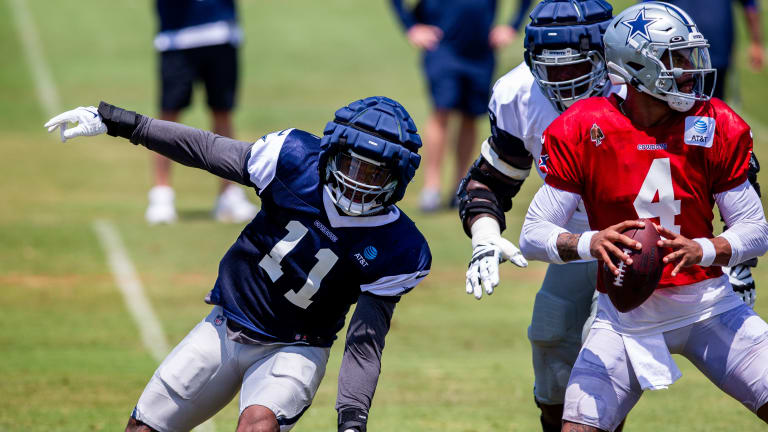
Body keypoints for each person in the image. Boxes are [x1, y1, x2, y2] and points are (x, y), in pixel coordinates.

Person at [44, 96, 431, 432]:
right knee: (144, 427)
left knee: (257, 425)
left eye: (373, 173)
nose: (358, 182)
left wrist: (352, 419)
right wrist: (120, 121)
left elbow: (365, 345)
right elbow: (206, 149)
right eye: (351, 165)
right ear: (332, 152)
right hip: (226, 326)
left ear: (397, 177)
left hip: (297, 347)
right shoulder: (292, 159)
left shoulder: (399, 246)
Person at [518, 3, 768, 430]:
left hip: (708, 306)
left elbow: (756, 230)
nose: (691, 69)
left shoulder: (717, 123)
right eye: (677, 58)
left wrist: (705, 249)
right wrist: (589, 242)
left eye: (690, 56)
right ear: (635, 66)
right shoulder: (583, 126)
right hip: (622, 318)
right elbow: (532, 234)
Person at [457, 1, 622, 430]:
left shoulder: (638, 89)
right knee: (550, 341)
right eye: (549, 68)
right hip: (575, 240)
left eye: (573, 67)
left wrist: (732, 258)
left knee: (601, 360)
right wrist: (485, 236)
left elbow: (713, 168)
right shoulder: (518, 94)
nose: (561, 81)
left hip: (642, 242)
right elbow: (490, 182)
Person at [389, 0, 518, 212]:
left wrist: (512, 26)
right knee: (442, 111)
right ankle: (432, 188)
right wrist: (411, 26)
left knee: (471, 116)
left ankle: (461, 185)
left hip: (481, 52)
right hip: (443, 47)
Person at [148, 0, 258, 224]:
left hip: (221, 32)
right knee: (169, 115)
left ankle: (228, 194)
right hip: (176, 36)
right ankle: (161, 195)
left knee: (223, 113)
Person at [642, 0, 764, 100]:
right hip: (675, 56)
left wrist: (756, 42)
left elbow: (749, 5)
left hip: (718, 52)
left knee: (712, 109)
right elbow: (648, 10)